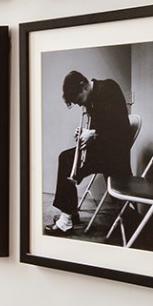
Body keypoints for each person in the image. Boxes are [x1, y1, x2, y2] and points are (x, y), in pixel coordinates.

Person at [50, 69, 133, 234]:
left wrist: (94, 134)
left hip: (115, 155)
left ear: (83, 86)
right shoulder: (91, 99)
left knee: (67, 161)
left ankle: (66, 221)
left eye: (78, 99)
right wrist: (84, 133)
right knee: (66, 158)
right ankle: (70, 212)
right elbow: (98, 127)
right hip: (102, 150)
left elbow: (122, 129)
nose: (80, 104)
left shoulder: (108, 88)